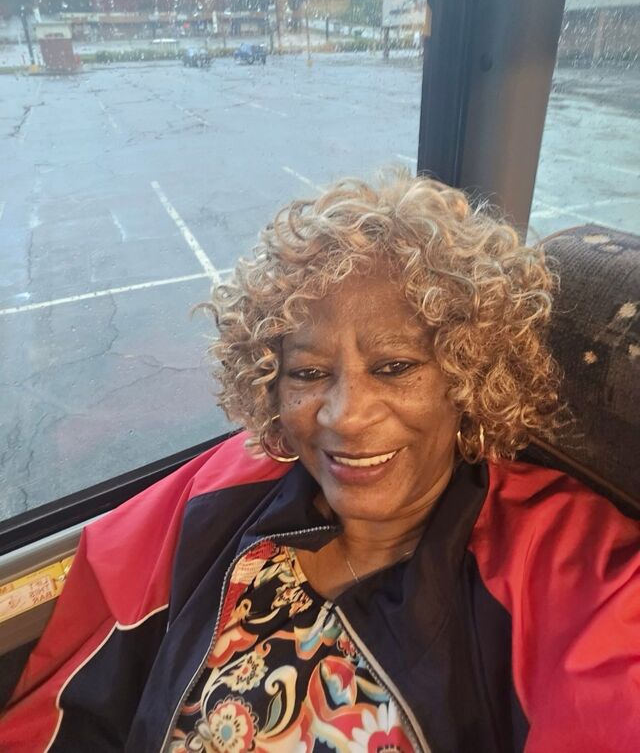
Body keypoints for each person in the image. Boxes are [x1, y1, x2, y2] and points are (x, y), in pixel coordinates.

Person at [1, 174, 638, 752]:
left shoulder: (564, 562)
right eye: (308, 373)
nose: (345, 416)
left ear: (468, 373)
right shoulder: (226, 487)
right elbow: (72, 706)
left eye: (394, 366)